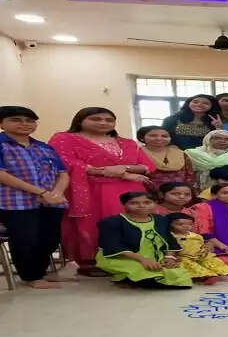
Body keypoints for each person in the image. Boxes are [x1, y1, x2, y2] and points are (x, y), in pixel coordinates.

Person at [50, 107, 156, 276]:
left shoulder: (127, 142)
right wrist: (104, 171)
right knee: (96, 224)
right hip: (91, 189)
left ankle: (136, 258)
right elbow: (64, 162)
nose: (103, 122)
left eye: (108, 120)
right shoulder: (64, 138)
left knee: (133, 222)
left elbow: (148, 166)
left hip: (130, 189)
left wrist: (124, 169)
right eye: (96, 119)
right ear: (80, 120)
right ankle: (92, 262)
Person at [0, 105, 71, 289]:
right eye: (16, 120)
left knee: (50, 237)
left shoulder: (44, 147)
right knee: (26, 239)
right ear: (2, 123)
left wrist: (57, 193)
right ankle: (31, 276)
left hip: (51, 201)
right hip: (15, 203)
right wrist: (41, 192)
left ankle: (41, 271)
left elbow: (62, 173)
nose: (24, 124)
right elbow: (2, 174)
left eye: (29, 120)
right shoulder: (2, 144)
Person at [95, 191, 191, 288]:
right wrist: (142, 259)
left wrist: (169, 258)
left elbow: (170, 240)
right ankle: (125, 276)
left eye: (147, 202)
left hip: (156, 258)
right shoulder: (112, 222)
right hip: (121, 257)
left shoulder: (160, 220)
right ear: (124, 204)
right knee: (144, 273)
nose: (141, 206)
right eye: (134, 203)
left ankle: (130, 278)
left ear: (155, 204)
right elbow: (113, 246)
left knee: (181, 278)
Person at [167, 212, 228, 284]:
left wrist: (206, 248)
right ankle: (206, 276)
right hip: (184, 256)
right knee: (188, 264)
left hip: (199, 254)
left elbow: (201, 244)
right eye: (180, 224)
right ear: (170, 224)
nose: (186, 226)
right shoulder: (171, 237)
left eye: (190, 224)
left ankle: (227, 272)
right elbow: (170, 249)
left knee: (212, 260)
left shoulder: (196, 236)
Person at [137, 125, 195, 193]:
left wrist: (184, 190)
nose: (159, 138)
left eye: (164, 136)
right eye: (153, 136)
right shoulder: (137, 153)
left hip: (179, 194)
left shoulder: (180, 153)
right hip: (147, 194)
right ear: (142, 138)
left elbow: (190, 174)